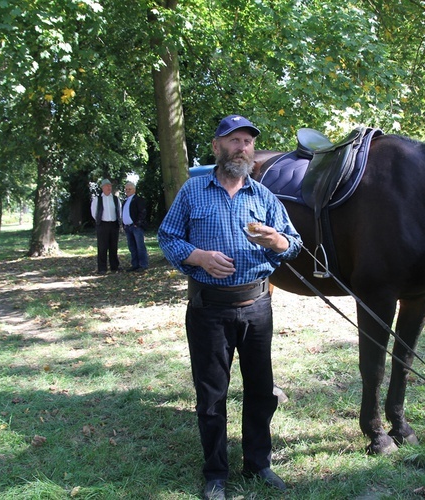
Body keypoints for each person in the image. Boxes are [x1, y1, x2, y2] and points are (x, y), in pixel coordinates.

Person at [158, 115, 302, 500]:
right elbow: (167, 236)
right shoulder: (193, 192)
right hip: (209, 309)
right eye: (234, 140)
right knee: (211, 394)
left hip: (257, 306)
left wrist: (278, 242)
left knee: (260, 390)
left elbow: (294, 242)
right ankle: (215, 473)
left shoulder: (265, 197)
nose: (242, 147)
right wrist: (198, 256)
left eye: (247, 142)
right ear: (217, 146)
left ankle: (258, 463)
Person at [90, 178, 121, 274]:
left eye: (110, 186)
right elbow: (93, 212)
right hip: (102, 224)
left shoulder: (115, 199)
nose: (109, 187)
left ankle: (114, 267)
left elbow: (119, 211)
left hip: (114, 224)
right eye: (107, 186)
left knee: (113, 246)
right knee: (102, 247)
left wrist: (118, 222)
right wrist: (99, 221)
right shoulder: (97, 199)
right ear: (102, 187)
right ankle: (102, 268)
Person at [121, 181, 149, 272]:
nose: (127, 191)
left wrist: (137, 223)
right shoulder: (125, 201)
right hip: (127, 227)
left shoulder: (138, 199)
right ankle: (135, 264)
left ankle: (143, 264)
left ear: (134, 190)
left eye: (129, 189)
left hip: (136, 227)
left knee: (140, 246)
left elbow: (142, 212)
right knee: (132, 247)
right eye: (126, 189)